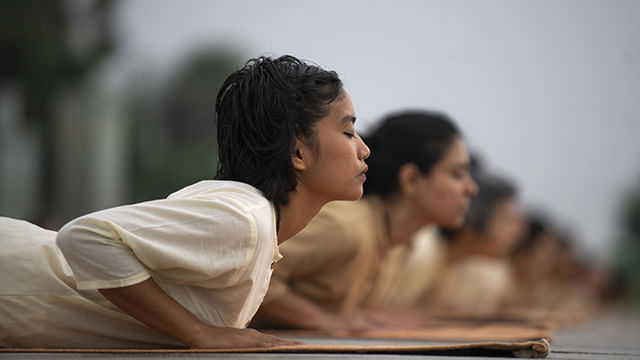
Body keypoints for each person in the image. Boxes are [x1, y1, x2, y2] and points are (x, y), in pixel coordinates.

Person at [0, 55, 370, 348]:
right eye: (348, 131)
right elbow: (83, 236)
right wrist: (198, 332)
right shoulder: (245, 220)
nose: (363, 150)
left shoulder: (254, 221)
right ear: (298, 152)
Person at [250, 110, 478, 331]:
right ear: (412, 179)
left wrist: (356, 317)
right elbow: (251, 270)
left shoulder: (394, 242)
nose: (471, 189)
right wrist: (322, 319)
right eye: (457, 174)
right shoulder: (347, 227)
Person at [425, 174, 525, 317]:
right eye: (506, 220)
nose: (518, 233)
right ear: (474, 216)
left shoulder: (465, 268)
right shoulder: (421, 251)